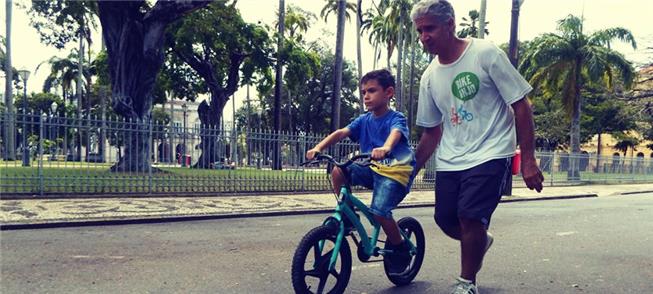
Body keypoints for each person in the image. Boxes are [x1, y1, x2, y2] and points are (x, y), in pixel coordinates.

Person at [410, 1, 544, 293]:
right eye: (420, 31)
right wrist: (410, 170)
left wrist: (529, 160)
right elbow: (431, 132)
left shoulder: (485, 54)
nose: (424, 37)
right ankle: (480, 239)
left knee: (470, 216)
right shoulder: (429, 77)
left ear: (450, 24)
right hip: (451, 159)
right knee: (445, 219)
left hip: (491, 153)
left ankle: (466, 282)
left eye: (429, 28)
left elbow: (521, 105)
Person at [306, 69, 416, 276]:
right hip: (371, 168)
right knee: (339, 171)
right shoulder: (363, 120)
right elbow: (341, 132)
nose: (366, 95)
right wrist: (318, 148)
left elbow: (395, 133)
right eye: (363, 91)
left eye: (372, 90)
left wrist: (386, 148)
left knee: (380, 211)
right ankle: (347, 213)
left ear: (389, 92)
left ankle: (400, 247)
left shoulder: (396, 118)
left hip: (395, 172)